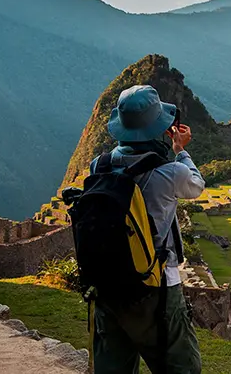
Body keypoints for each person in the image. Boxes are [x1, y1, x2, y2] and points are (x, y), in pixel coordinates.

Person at [89, 85, 204, 374]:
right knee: (181, 366)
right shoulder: (171, 173)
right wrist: (181, 150)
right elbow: (196, 185)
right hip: (156, 285)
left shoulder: (98, 166)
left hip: (107, 284)